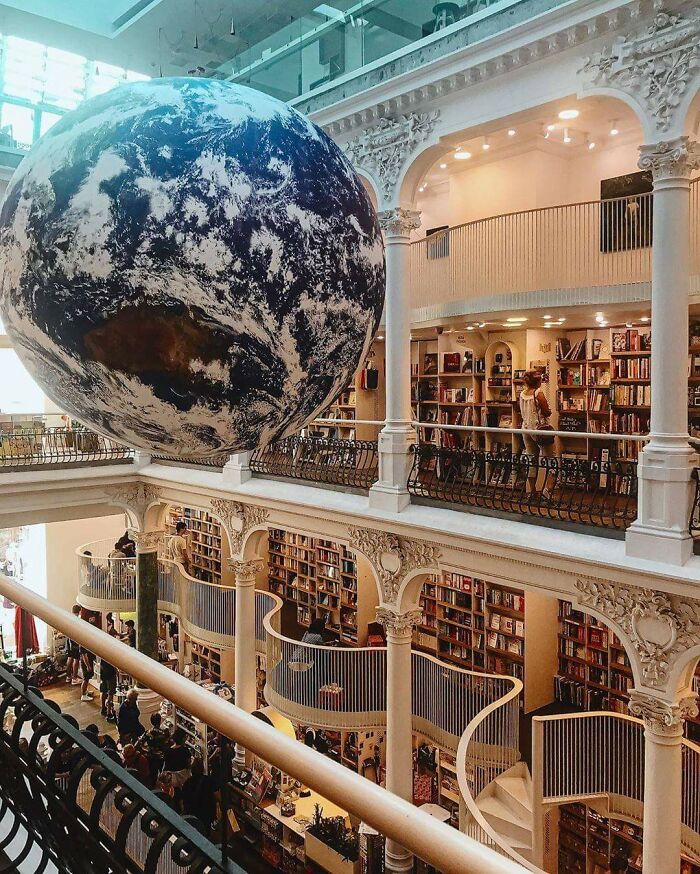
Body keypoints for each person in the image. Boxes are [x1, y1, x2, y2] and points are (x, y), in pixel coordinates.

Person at [518, 369, 555, 499]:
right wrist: (548, 410)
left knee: (531, 460)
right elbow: (546, 412)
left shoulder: (522, 394)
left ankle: (532, 491)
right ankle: (547, 490)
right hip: (540, 430)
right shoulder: (538, 393)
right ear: (538, 381)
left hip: (526, 430)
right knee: (552, 460)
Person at [181, 757, 217, 832]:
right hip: (206, 811)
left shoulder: (188, 782)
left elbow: (184, 797)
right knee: (206, 830)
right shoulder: (208, 780)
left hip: (193, 811)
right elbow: (215, 790)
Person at [139, 712, 170, 783]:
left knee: (152, 775)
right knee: (163, 775)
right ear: (160, 721)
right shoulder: (165, 732)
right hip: (161, 757)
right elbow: (168, 743)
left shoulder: (148, 732)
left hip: (150, 756)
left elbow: (140, 742)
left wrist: (147, 749)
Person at [78, 615, 97, 702]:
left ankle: (85, 691)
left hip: (88, 660)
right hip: (86, 662)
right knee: (85, 679)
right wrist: (88, 665)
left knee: (87, 678)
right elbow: (84, 655)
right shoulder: (83, 642)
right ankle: (83, 695)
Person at [65, 605, 82, 685]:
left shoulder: (68, 617)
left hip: (68, 640)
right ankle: (74, 678)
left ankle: (68, 677)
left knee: (70, 658)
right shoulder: (77, 619)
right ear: (79, 611)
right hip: (74, 641)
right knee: (76, 660)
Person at [99, 653, 117, 722]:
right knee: (110, 692)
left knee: (104, 690)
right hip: (110, 671)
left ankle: (103, 708)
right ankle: (109, 713)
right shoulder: (112, 650)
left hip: (103, 669)